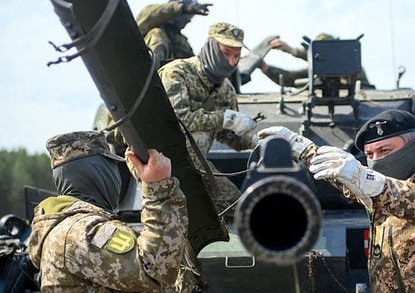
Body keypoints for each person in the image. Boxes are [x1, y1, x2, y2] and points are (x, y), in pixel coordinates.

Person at [257, 109, 415, 292]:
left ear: (413, 146)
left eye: (385, 150)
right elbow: (351, 182)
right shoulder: (383, 189)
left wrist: (373, 183)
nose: (376, 160)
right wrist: (304, 150)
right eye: (370, 154)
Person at [27, 131, 200, 291]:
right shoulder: (83, 231)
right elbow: (154, 270)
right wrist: (159, 187)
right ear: (97, 172)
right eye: (113, 166)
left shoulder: (67, 228)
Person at [158, 22, 257, 217]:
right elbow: (178, 119)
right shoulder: (177, 72)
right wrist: (225, 119)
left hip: (197, 169)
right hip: (158, 164)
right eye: (226, 53)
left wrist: (256, 142)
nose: (231, 62)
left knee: (237, 206)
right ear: (212, 47)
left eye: (236, 56)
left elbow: (228, 136)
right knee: (199, 136)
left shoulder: (226, 89)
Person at [258, 34, 375, 89]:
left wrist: (294, 51)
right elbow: (289, 78)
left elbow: (331, 60)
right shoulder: (317, 73)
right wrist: (265, 67)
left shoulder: (351, 66)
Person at [136, 0, 212, 68]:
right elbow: (155, 13)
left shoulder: (181, 41)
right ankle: (150, 68)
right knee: (156, 33)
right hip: (144, 69)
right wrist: (183, 7)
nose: (189, 20)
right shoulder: (149, 19)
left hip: (168, 76)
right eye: (188, 15)